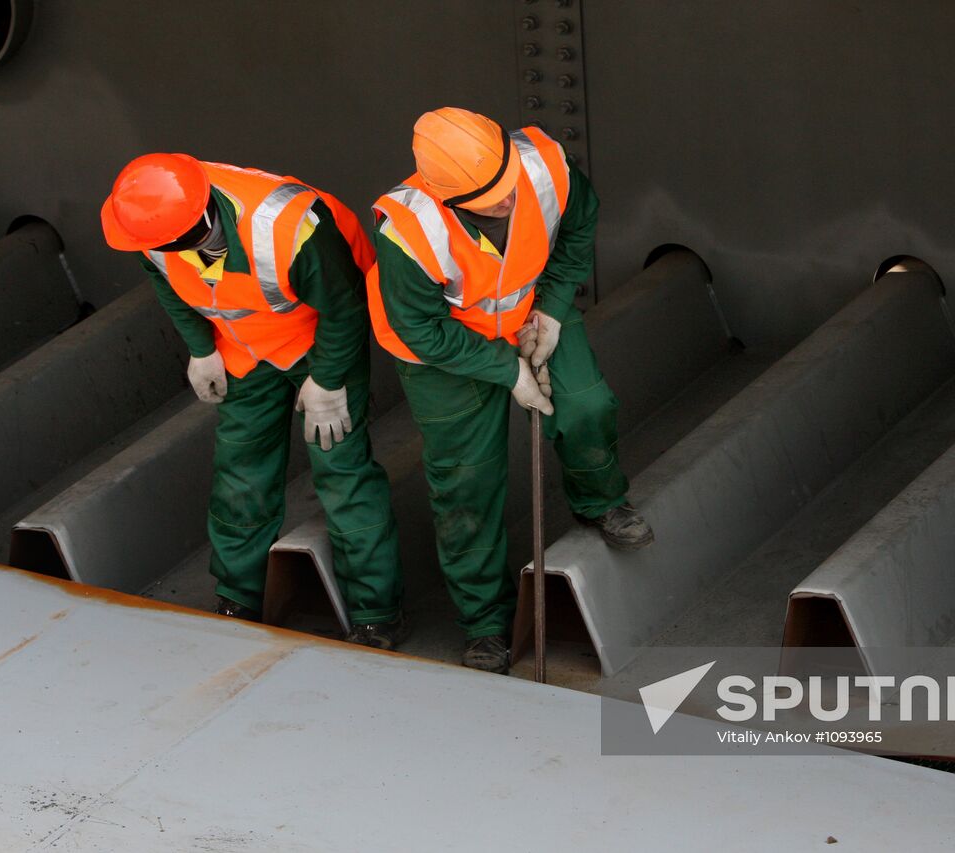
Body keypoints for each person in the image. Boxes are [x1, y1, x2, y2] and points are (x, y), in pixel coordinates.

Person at [366, 108, 654, 674]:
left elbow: (577, 228)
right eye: (489, 197)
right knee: (466, 481)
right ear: (447, 197)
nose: (506, 200)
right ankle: (485, 623)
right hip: (442, 350)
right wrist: (508, 371)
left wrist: (550, 308)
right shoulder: (407, 230)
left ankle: (601, 503)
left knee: (586, 402)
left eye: (507, 185)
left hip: (531, 308)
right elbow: (419, 328)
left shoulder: (544, 165)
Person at [101, 154, 404, 647]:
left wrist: (328, 381)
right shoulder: (146, 223)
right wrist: (201, 349)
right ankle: (239, 596)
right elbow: (168, 282)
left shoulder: (289, 226)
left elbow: (344, 306)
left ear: (201, 222)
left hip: (318, 343)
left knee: (342, 472)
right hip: (242, 348)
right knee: (241, 471)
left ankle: (376, 613)